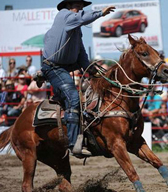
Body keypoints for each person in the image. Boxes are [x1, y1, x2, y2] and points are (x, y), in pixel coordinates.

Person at [41, 0, 115, 157]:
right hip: (55, 67)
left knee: (88, 94)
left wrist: (90, 68)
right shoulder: (65, 16)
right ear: (69, 5)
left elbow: (81, 51)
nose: (81, 8)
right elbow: (81, 18)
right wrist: (100, 13)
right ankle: (74, 143)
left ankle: (86, 136)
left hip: (65, 67)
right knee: (74, 98)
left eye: (82, 6)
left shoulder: (75, 29)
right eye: (78, 5)